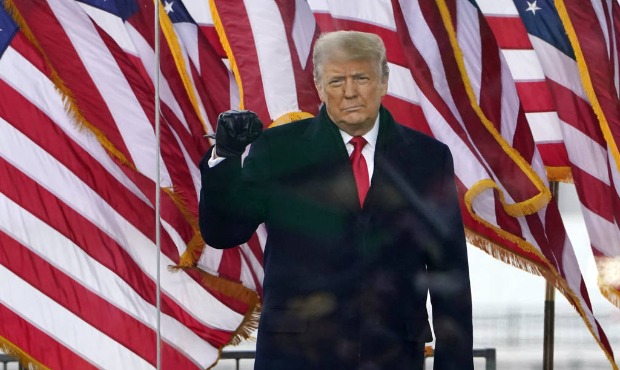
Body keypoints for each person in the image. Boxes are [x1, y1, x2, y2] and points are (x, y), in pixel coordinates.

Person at [199, 30, 473, 370]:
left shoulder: (427, 157)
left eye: (361, 78)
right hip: (296, 355)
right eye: (336, 81)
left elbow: (449, 270)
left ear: (384, 80)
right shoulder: (278, 150)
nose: (349, 92)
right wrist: (225, 158)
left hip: (393, 355)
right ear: (318, 86)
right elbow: (224, 231)